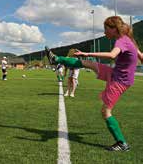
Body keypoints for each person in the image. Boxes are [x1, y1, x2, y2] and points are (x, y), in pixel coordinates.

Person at [45, 16, 143, 151]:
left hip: (120, 80)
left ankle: (122, 143)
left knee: (106, 111)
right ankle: (56, 59)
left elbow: (112, 55)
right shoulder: (128, 39)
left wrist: (87, 52)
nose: (104, 32)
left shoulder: (121, 41)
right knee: (89, 63)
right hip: (116, 73)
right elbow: (141, 56)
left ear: (114, 28)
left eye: (106, 29)